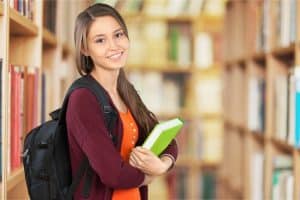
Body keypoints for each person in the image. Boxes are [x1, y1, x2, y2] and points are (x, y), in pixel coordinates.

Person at [66, 3, 178, 200]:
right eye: (100, 40)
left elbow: (165, 138)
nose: (114, 46)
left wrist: (162, 165)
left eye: (118, 35)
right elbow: (113, 174)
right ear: (84, 48)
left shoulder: (126, 91)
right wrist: (149, 176)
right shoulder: (83, 99)